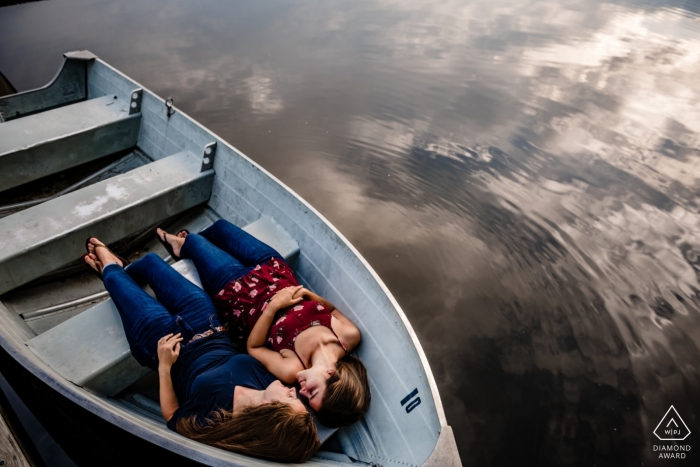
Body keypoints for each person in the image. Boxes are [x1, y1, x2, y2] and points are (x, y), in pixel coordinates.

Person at [82, 240, 320, 463]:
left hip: (162, 340)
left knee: (113, 277)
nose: (292, 391)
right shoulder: (270, 381)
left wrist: (164, 367)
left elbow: (172, 417)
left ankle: (111, 269)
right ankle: (122, 271)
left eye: (290, 399)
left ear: (270, 412)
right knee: (152, 262)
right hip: (205, 321)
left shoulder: (217, 420)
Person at [156, 219, 371, 428]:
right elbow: (331, 310)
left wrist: (274, 306)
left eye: (306, 400)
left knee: (195, 241)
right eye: (312, 392)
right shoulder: (348, 336)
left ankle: (180, 246)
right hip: (274, 270)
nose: (301, 392)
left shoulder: (291, 369)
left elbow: (253, 347)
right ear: (330, 375)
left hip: (239, 293)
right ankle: (185, 250)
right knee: (220, 228)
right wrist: (306, 293)